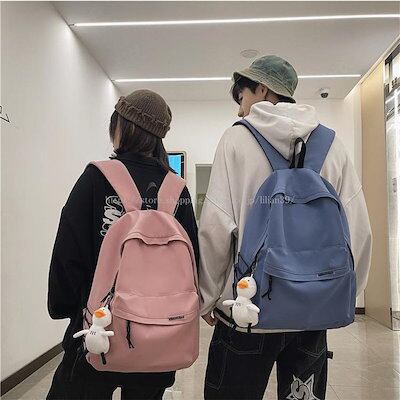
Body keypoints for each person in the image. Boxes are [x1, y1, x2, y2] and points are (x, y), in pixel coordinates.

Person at [198, 55, 372, 400]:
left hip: (247, 311)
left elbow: (216, 227)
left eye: (241, 98)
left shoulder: (236, 140)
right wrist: (342, 294)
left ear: (262, 89)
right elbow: (359, 230)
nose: (240, 111)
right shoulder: (332, 144)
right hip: (313, 311)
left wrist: (209, 298)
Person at [47, 89, 199, 400]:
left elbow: (68, 253)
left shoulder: (96, 178)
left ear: (121, 126)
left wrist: (65, 307)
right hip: (160, 337)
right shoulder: (177, 190)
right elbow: (193, 259)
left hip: (98, 332)